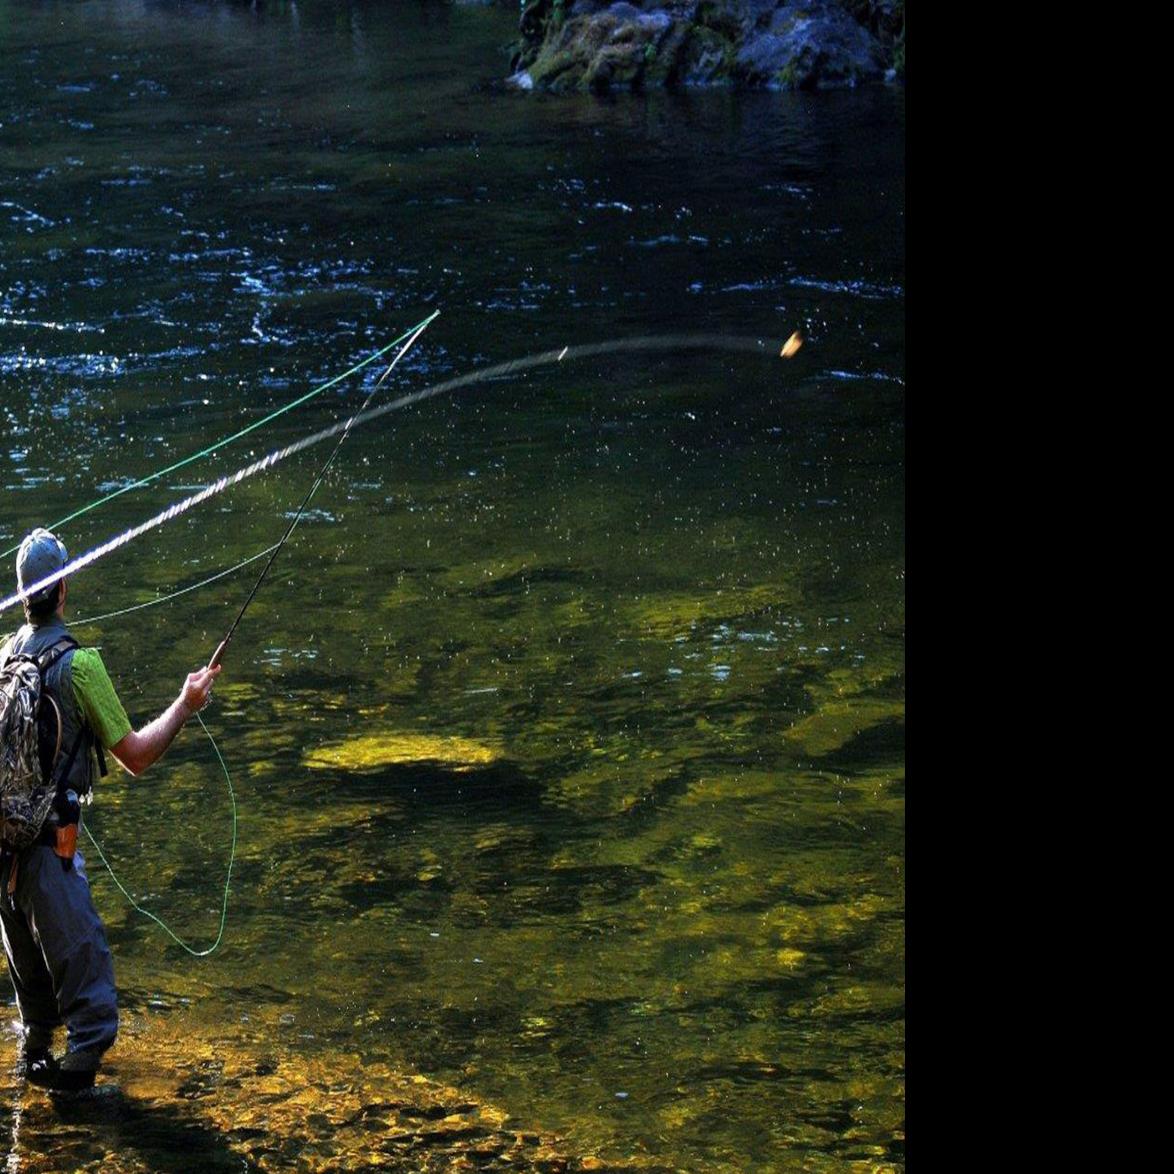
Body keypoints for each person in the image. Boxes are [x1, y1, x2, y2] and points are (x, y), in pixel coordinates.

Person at [0, 528, 219, 1093]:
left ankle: (33, 1082)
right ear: (64, 588)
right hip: (51, 850)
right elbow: (137, 757)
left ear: (23, 593)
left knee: (34, 998)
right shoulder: (81, 668)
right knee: (91, 998)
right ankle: (80, 1101)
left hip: (4, 852)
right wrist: (186, 703)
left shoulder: (3, 654)